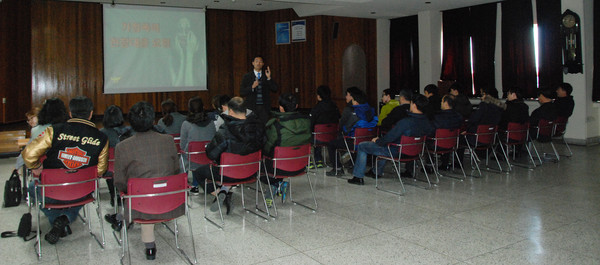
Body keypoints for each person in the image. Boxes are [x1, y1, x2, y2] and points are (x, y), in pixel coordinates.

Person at [23, 96, 109, 245]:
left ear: (70, 113)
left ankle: (57, 218)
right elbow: (100, 171)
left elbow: (28, 154)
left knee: (32, 188)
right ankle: (65, 218)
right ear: (91, 113)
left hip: (51, 191)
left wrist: (36, 167)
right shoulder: (102, 138)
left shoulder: (54, 131)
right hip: (82, 192)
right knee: (88, 188)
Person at [107, 101, 180, 261]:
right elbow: (177, 171)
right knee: (147, 191)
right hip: (172, 201)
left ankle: (147, 244)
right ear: (153, 120)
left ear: (130, 122)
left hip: (141, 204)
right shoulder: (168, 140)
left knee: (141, 196)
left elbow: (119, 182)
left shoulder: (123, 147)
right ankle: (122, 219)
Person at [193, 97, 265, 215]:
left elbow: (211, 154)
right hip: (252, 171)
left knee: (199, 172)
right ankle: (225, 190)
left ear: (230, 111)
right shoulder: (259, 127)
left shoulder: (225, 131)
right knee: (232, 168)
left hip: (228, 174)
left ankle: (220, 193)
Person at [348, 94, 434, 184]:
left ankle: (358, 177)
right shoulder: (427, 122)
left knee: (363, 146)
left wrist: (378, 140)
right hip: (416, 152)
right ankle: (376, 171)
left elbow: (389, 138)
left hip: (397, 151)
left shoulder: (406, 122)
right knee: (385, 145)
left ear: (414, 105)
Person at [263, 93, 311, 206]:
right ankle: (280, 183)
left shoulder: (275, 125)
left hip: (278, 168)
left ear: (280, 107)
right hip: (301, 166)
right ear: (297, 106)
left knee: (264, 161)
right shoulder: (307, 122)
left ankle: (273, 188)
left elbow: (268, 148)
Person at [326, 87, 377, 176]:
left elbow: (344, 127)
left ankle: (337, 168)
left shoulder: (352, 111)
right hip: (368, 141)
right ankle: (352, 163)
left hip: (354, 142)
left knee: (332, 143)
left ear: (355, 100)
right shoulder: (371, 110)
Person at [180, 97, 217, 193]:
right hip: (208, 157)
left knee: (183, 156)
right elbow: (214, 140)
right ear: (203, 107)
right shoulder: (211, 123)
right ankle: (196, 183)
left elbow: (182, 145)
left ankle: (186, 185)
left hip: (192, 159)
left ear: (189, 109)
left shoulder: (186, 124)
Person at [99, 105, 132, 206]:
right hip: (128, 169)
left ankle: (114, 194)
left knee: (110, 166)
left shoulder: (101, 134)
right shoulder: (130, 131)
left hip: (108, 170)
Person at [309, 85, 340, 168]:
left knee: (312, 134)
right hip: (333, 136)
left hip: (318, 138)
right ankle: (318, 159)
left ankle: (314, 160)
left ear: (319, 96)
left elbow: (311, 124)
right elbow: (338, 119)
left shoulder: (316, 108)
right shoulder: (334, 106)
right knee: (320, 132)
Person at [240, 56, 278, 124]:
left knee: (265, 126)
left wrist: (269, 78)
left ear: (263, 64)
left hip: (264, 107)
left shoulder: (266, 75)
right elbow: (242, 92)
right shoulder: (247, 76)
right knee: (251, 126)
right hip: (251, 107)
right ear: (253, 63)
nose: (258, 63)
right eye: (256, 61)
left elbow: (275, 89)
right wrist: (252, 87)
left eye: (260, 62)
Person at [431, 95, 464, 171]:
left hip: (438, 144)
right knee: (447, 137)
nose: (440, 103)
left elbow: (432, 130)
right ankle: (447, 163)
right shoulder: (458, 116)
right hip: (454, 142)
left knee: (427, 141)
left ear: (445, 103)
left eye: (442, 102)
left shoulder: (438, 117)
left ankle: (429, 165)